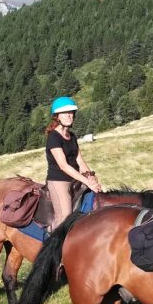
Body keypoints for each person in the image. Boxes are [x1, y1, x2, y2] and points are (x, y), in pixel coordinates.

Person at [45, 96, 101, 228]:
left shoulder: (72, 136)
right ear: (57, 116)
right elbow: (63, 166)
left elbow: (79, 160)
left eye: (71, 112)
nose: (69, 116)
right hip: (59, 180)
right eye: (65, 113)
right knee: (66, 216)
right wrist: (86, 181)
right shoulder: (53, 137)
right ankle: (55, 246)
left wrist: (91, 177)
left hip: (75, 179)